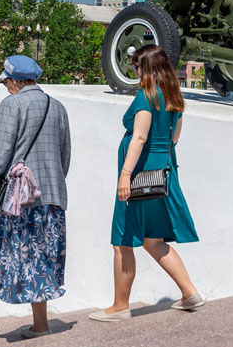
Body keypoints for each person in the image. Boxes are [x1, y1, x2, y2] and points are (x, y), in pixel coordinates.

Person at [0, 55, 71, 340]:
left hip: (16, 201)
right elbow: (64, 157)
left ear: (15, 80)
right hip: (51, 198)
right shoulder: (57, 108)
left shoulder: (12, 104)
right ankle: (40, 324)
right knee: (41, 259)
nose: (6, 86)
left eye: (6, 81)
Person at [89, 44, 202, 323]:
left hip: (139, 178)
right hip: (161, 176)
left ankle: (119, 306)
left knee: (123, 241)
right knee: (153, 240)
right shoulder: (174, 97)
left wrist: (125, 175)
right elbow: (173, 138)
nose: (135, 70)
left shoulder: (146, 97)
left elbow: (139, 137)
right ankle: (190, 293)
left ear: (147, 68)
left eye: (137, 65)